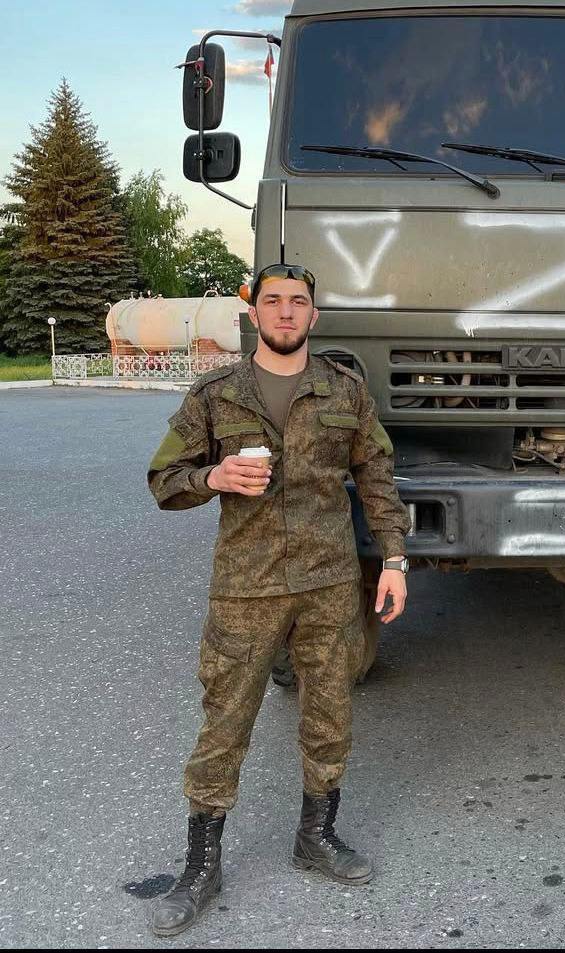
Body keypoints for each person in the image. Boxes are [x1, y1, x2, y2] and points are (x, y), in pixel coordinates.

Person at [146, 263, 411, 937]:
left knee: (330, 713)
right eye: (273, 302)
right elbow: (163, 479)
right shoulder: (216, 395)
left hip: (328, 583)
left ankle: (315, 836)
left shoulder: (344, 389)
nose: (286, 312)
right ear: (254, 314)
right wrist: (214, 475)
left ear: (313, 316)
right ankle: (201, 865)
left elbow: (377, 476)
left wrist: (394, 561)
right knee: (225, 721)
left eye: (298, 302)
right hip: (248, 586)